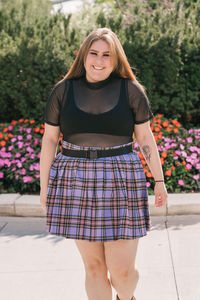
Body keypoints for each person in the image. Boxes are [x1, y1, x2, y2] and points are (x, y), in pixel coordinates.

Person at [40, 27, 168, 300]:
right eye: (94, 53)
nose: (99, 60)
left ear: (116, 59)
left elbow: (144, 137)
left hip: (121, 178)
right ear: (84, 55)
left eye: (107, 55)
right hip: (74, 179)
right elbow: (50, 140)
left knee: (122, 273)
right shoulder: (62, 91)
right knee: (94, 267)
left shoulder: (132, 91)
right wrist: (44, 188)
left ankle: (127, 298)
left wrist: (159, 180)